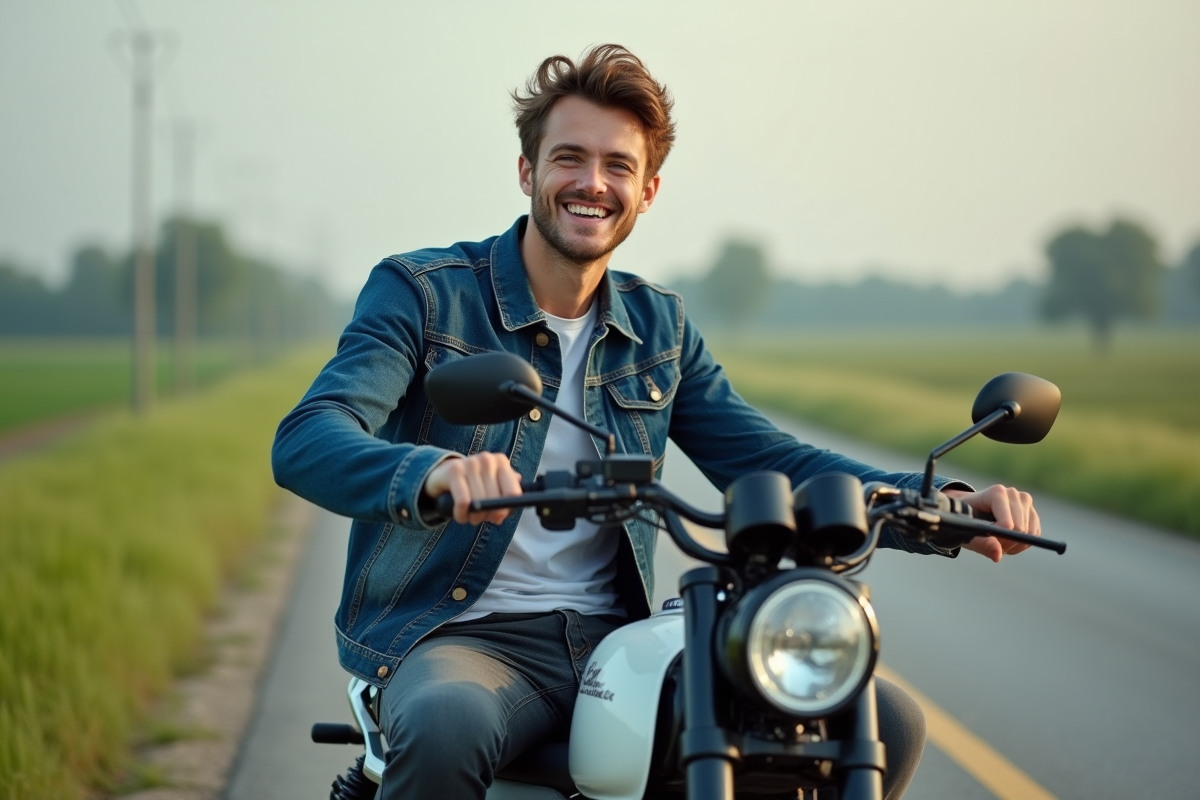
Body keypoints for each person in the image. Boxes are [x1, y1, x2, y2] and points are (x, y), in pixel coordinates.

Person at [272, 44, 1040, 800]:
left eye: (618, 167)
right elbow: (311, 435)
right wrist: (431, 473)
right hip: (465, 638)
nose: (591, 184)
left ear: (648, 192)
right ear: (527, 172)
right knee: (444, 724)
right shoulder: (425, 294)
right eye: (569, 158)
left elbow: (768, 459)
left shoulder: (659, 324)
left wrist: (943, 504)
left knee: (880, 719)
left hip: (622, 640)